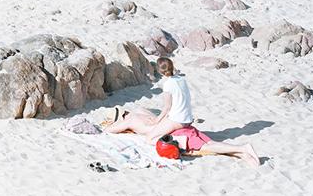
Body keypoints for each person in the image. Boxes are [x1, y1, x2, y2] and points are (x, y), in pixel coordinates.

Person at [103, 58, 259, 166]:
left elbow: (167, 108)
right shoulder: (180, 79)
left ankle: (182, 143)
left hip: (177, 120)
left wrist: (157, 121)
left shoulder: (167, 85)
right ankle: (241, 152)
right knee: (157, 131)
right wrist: (157, 120)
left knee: (150, 139)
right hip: (186, 118)